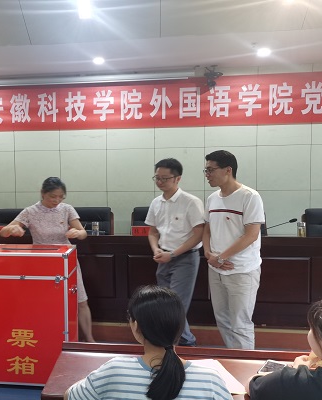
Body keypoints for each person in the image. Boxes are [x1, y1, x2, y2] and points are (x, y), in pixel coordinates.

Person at [64, 285, 231, 400]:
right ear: (180, 328)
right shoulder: (210, 380)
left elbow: (70, 396)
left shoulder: (113, 371)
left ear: (136, 326)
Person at [0, 177, 95, 342]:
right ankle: (45, 338)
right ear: (43, 193)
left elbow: (83, 233)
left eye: (60, 197)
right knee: (43, 303)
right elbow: (3, 232)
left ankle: (90, 340)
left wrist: (77, 233)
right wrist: (12, 229)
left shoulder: (67, 209)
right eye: (52, 196)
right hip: (41, 261)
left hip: (66, 260)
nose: (56, 201)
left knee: (81, 300)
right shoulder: (30, 211)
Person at [202, 150, 264, 349]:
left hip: (241, 270)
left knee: (240, 323)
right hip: (216, 268)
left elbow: (251, 235)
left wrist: (220, 257)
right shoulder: (212, 198)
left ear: (228, 170)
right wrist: (208, 253)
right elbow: (207, 229)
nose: (207, 175)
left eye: (211, 170)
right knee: (223, 320)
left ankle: (246, 363)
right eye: (206, 170)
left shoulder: (250, 196)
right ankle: (232, 357)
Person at [145, 158, 204, 347]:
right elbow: (153, 232)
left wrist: (172, 254)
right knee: (166, 304)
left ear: (178, 178)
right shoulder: (156, 203)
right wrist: (156, 249)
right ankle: (186, 341)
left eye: (165, 178)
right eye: (157, 178)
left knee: (175, 305)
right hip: (163, 258)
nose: (160, 182)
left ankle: (177, 344)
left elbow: (199, 235)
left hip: (185, 258)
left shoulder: (191, 202)